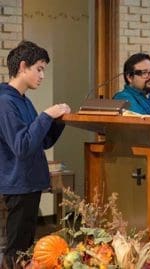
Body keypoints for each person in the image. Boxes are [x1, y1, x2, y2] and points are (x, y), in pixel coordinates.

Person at [0, 40, 71, 268]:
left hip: (29, 183)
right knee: (16, 251)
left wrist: (58, 121)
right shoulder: (5, 102)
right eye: (39, 69)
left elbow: (42, 141)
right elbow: (21, 146)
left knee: (26, 250)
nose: (42, 76)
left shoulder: (23, 101)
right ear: (23, 67)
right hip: (18, 184)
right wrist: (46, 116)